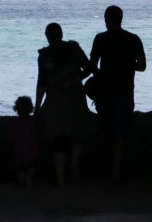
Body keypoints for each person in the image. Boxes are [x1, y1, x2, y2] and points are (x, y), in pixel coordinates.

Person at [89, 4, 147, 184]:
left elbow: (92, 66)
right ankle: (115, 172)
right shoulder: (134, 39)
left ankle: (105, 168)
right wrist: (128, 66)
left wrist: (102, 75)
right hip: (125, 92)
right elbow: (142, 66)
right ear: (121, 19)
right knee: (120, 135)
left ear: (107, 20)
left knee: (107, 132)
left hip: (105, 93)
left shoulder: (100, 39)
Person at [35, 22, 95, 187]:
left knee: (58, 139)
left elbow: (42, 83)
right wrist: (77, 78)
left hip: (55, 98)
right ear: (61, 34)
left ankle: (60, 180)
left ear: (47, 37)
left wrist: (37, 108)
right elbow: (89, 68)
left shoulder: (44, 55)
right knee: (79, 133)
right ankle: (74, 165)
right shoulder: (74, 48)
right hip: (76, 95)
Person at [10, 96, 39, 189]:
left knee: (20, 166)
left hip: (19, 147)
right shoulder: (33, 121)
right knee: (32, 164)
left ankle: (21, 182)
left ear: (17, 108)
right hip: (32, 147)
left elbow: (12, 135)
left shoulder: (15, 122)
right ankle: (29, 176)